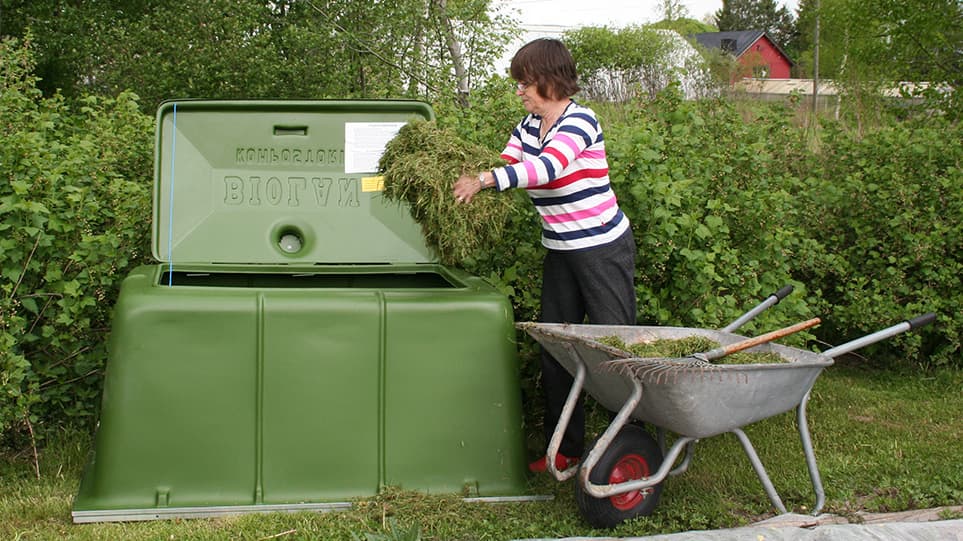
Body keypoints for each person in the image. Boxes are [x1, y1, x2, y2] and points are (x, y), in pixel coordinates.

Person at [453, 38, 636, 473]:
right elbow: (509, 161)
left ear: (550, 80)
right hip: (559, 252)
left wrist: (484, 180)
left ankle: (629, 449)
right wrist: (467, 175)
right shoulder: (527, 126)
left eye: (526, 82)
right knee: (558, 350)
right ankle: (566, 449)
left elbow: (546, 168)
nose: (520, 90)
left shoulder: (580, 122)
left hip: (601, 250)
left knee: (616, 350)